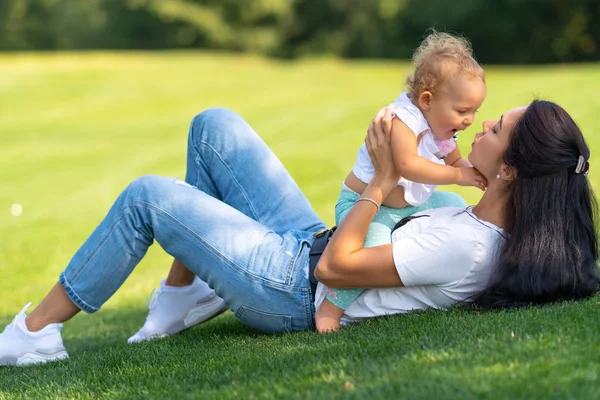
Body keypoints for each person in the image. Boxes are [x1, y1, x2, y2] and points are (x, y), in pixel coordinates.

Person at [1, 100, 598, 366]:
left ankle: (35, 333)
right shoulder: (480, 219)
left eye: (496, 128)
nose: (484, 124)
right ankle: (185, 293)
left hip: (289, 288)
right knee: (215, 127)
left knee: (147, 197)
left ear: (512, 171)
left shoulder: (464, 247)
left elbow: (332, 270)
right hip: (310, 241)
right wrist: (438, 175)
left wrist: (381, 178)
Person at [315, 31, 488, 332]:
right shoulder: (403, 119)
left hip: (405, 205)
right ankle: (330, 308)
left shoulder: (441, 124)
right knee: (370, 252)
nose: (469, 120)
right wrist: (459, 176)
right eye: (462, 111)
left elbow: (454, 160)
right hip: (368, 206)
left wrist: (472, 172)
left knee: (454, 204)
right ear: (427, 100)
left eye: (474, 111)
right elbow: (408, 166)